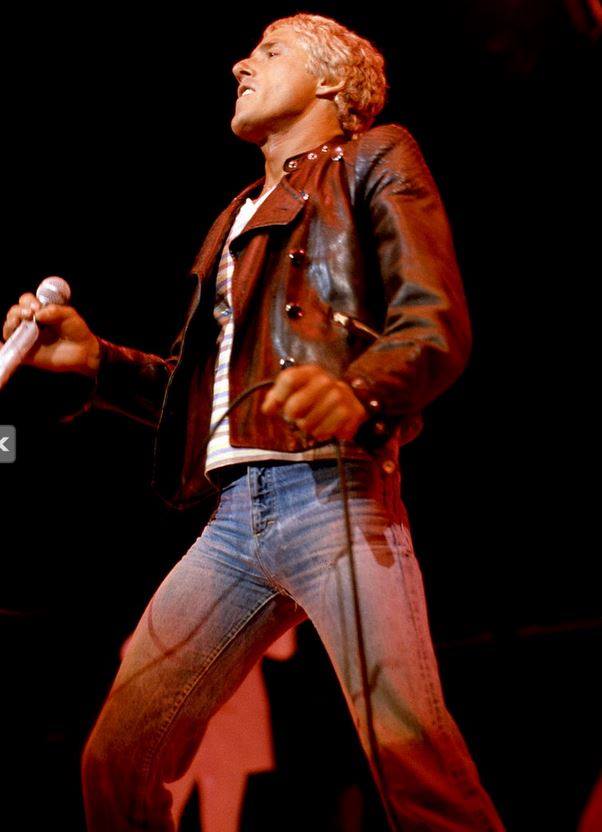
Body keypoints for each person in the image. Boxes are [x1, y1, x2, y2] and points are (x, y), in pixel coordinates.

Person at [1, 13, 506, 831]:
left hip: (335, 496)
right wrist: (96, 362)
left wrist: (361, 392)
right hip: (232, 523)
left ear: (332, 82)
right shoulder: (237, 214)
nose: (242, 63)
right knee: (115, 763)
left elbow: (434, 322)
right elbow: (201, 396)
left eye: (271, 51)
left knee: (414, 763)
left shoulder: (375, 157)